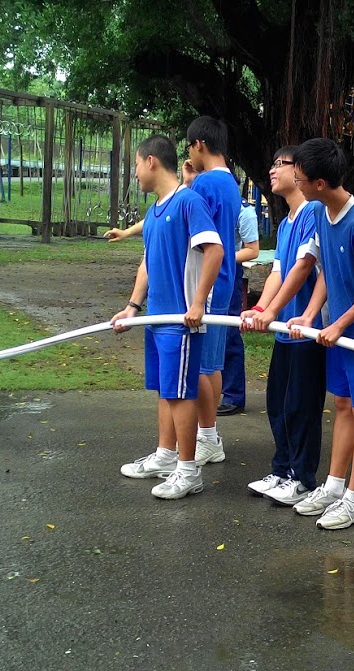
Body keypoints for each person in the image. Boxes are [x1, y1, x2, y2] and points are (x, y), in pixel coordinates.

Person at [283, 137, 354, 529]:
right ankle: (334, 487)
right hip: (339, 329)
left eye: (299, 178)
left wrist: (338, 324)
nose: (295, 183)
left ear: (319, 183)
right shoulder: (318, 211)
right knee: (344, 406)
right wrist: (310, 315)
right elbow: (321, 270)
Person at [111, 135, 224, 500]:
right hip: (156, 319)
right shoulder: (155, 211)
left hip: (181, 321)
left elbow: (215, 251)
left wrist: (198, 303)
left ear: (151, 162)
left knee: (180, 394)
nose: (135, 173)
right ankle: (164, 456)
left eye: (136, 164)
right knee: (165, 390)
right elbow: (147, 263)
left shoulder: (189, 202)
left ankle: (188, 472)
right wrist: (132, 307)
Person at [240, 146, 328, 505]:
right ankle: (282, 469)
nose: (273, 170)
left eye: (281, 164)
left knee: (301, 407)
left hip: (307, 329)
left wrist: (272, 311)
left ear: (300, 170)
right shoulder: (287, 222)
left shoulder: (313, 212)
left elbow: (303, 266)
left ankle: (302, 477)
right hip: (285, 331)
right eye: (272, 163)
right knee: (277, 403)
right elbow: (278, 270)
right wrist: (262, 308)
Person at [185, 116, 242, 465]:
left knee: (199, 366)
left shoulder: (204, 184)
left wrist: (188, 184)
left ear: (199, 145)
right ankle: (208, 433)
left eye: (189, 147)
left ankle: (207, 436)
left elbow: (185, 221)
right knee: (212, 364)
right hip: (223, 282)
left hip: (204, 282)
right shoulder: (230, 182)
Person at [217, 200, 263, 416]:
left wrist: (221, 258)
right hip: (203, 270)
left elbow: (252, 250)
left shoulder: (244, 211)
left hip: (228, 272)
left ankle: (233, 396)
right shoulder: (204, 203)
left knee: (229, 334)